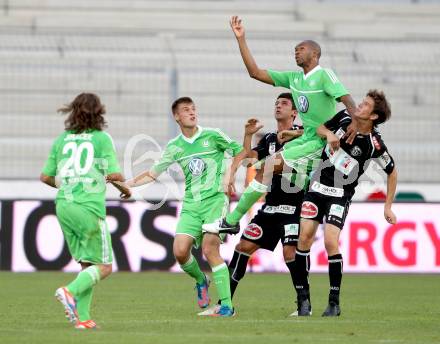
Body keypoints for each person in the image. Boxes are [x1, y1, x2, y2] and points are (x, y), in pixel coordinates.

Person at [203, 16, 359, 235]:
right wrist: (241, 39)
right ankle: (311, 208)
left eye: (301, 48)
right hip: (306, 139)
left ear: (315, 54)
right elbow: (255, 73)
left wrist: (355, 124)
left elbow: (347, 99)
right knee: (262, 169)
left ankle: (232, 220)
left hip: (318, 142)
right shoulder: (294, 79)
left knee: (269, 169)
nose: (296, 51)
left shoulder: (324, 75)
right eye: (295, 49)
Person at [114, 97, 257, 317]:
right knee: (180, 252)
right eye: (186, 110)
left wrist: (234, 164)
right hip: (191, 205)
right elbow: (153, 173)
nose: (191, 113)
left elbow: (244, 153)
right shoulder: (175, 146)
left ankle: (227, 306)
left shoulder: (213, 135)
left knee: (210, 250)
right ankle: (201, 280)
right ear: (177, 116)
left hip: (215, 201)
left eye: (193, 109)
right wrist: (129, 184)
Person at [200, 92, 307, 316]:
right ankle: (224, 304)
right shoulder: (268, 139)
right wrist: (248, 135)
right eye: (276, 103)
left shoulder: (302, 136)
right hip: (270, 208)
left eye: (284, 103)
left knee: (290, 253)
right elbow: (249, 159)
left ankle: (303, 304)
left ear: (295, 112)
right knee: (242, 248)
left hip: (294, 207)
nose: (278, 106)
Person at [294, 90, 398, 316]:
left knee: (331, 242)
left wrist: (387, 206)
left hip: (340, 194)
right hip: (317, 187)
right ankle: (303, 300)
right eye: (362, 102)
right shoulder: (343, 117)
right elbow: (320, 128)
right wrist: (329, 135)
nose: (359, 105)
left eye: (366, 105)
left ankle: (334, 302)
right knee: (304, 238)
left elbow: (392, 172)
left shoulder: (374, 144)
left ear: (373, 117)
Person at [40, 93, 130, 329]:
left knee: (87, 265)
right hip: (88, 207)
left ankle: (84, 319)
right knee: (105, 266)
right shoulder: (101, 139)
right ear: (98, 112)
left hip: (64, 206)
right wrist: (124, 186)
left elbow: (46, 176)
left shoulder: (62, 140)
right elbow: (115, 174)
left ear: (74, 112)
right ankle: (68, 291)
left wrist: (70, 182)